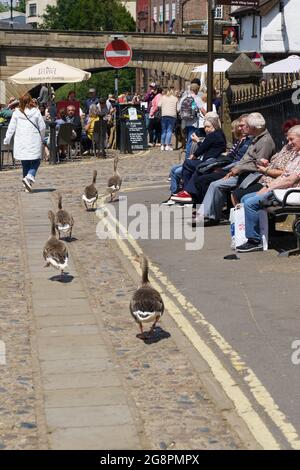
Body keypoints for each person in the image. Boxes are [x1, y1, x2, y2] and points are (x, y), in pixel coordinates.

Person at [197, 112, 276, 226]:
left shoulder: (265, 141)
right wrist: (235, 169)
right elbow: (245, 159)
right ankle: (207, 214)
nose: (245, 128)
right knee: (215, 183)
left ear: (254, 127)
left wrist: (238, 169)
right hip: (242, 172)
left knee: (216, 184)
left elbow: (259, 165)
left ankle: (210, 216)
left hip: (251, 175)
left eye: (247, 126)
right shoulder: (256, 138)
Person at [237, 125, 300, 252]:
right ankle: (264, 235)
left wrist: (268, 188)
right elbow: (284, 176)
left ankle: (254, 241)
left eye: (292, 139)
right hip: (282, 191)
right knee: (245, 198)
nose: (289, 143)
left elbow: (290, 180)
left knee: (250, 203)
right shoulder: (296, 155)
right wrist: (267, 186)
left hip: (290, 193)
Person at [171, 116, 227, 203]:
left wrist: (194, 153)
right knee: (186, 166)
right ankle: (187, 192)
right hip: (210, 162)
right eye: (205, 127)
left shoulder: (212, 135)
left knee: (188, 163)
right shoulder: (219, 134)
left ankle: (187, 192)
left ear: (215, 126)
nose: (206, 129)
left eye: (208, 127)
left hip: (210, 163)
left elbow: (201, 149)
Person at [4, 93, 45, 192]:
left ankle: (27, 185)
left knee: (25, 162)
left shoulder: (16, 113)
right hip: (34, 140)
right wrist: (42, 137)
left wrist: (7, 139)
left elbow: (11, 128)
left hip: (21, 141)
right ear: (31, 100)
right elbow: (42, 127)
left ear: (20, 102)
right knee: (36, 160)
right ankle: (29, 177)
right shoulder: (36, 111)